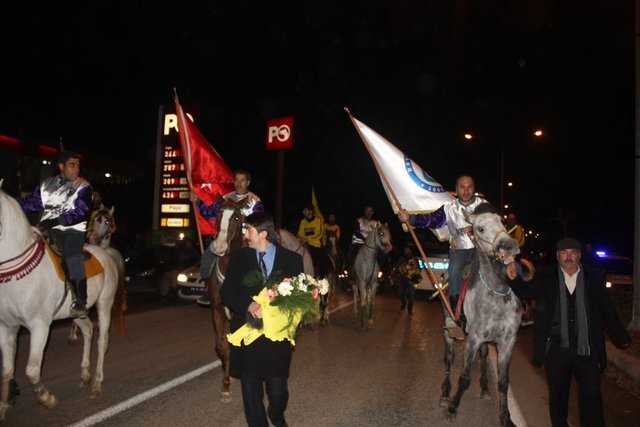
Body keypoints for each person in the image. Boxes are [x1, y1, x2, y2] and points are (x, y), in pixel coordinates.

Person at [509, 237, 630, 427]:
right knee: (558, 397)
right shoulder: (545, 276)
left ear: (579, 256)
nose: (568, 257)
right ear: (558, 256)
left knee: (592, 395)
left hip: (588, 348)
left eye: (573, 253)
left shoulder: (594, 276)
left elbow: (606, 308)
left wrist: (621, 336)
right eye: (564, 253)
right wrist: (513, 278)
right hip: (557, 349)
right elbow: (526, 292)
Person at [221, 212, 303, 427]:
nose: (245, 235)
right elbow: (227, 292)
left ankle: (277, 416)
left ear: (263, 233)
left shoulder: (292, 260)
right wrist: (248, 304)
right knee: (251, 392)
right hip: (248, 333)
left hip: (276, 338)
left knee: (278, 392)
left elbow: (298, 297)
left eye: (248, 230)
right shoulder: (239, 258)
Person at [398, 175, 486, 333]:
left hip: (482, 250)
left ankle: (517, 308)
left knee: (507, 268)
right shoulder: (449, 208)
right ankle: (457, 315)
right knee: (454, 272)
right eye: (462, 187)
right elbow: (430, 220)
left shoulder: (483, 206)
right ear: (457, 189)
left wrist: (476, 228)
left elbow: (494, 223)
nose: (466, 190)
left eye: (469, 187)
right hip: (459, 250)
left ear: (474, 188)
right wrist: (410, 218)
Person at [19, 151, 93, 318]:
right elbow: (33, 203)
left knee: (72, 255)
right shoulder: (46, 184)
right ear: (61, 166)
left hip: (72, 229)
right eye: (72, 165)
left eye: (78, 166)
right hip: (46, 228)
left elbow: (82, 211)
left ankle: (80, 300)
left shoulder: (83, 186)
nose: (76, 169)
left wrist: (58, 220)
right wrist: (10, 200)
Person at [197, 169, 263, 306]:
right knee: (206, 258)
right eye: (236, 180)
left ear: (248, 182)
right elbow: (209, 213)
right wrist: (197, 201)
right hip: (223, 237)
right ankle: (208, 288)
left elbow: (259, 221)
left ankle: (261, 292)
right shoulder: (226, 198)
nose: (239, 183)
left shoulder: (255, 201)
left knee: (260, 262)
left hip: (247, 240)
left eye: (242, 180)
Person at [505, 212, 533, 326]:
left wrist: (509, 243)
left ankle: (524, 308)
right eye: (509, 219)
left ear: (515, 220)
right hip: (502, 257)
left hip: (514, 257)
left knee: (519, 278)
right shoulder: (504, 228)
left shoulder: (518, 228)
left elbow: (520, 241)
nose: (511, 221)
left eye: (512, 219)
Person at [296, 203, 327, 278]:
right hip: (304, 245)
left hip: (315, 245)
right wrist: (300, 239)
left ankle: (322, 278)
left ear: (310, 211)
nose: (303, 212)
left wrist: (307, 239)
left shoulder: (318, 220)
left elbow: (319, 233)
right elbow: (299, 234)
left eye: (305, 210)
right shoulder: (303, 221)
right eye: (303, 210)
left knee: (321, 260)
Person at [347, 205, 380, 272]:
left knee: (381, 254)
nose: (368, 212)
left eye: (370, 211)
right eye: (367, 210)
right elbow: (356, 232)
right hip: (358, 243)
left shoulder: (375, 223)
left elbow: (377, 234)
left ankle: (378, 271)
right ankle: (351, 271)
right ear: (364, 211)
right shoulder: (359, 220)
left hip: (370, 245)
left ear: (373, 212)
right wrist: (364, 239)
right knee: (351, 255)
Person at [394, 244, 421, 315]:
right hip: (402, 279)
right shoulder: (401, 258)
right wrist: (397, 274)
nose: (405, 251)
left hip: (411, 280)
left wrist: (414, 273)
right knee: (400, 293)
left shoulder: (414, 259)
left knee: (411, 295)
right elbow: (397, 268)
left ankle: (410, 309)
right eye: (405, 249)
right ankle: (403, 302)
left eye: (407, 249)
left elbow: (418, 269)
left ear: (410, 250)